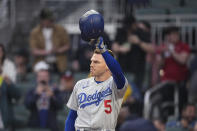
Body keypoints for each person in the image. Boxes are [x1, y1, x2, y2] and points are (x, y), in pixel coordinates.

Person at [65, 37, 128, 131]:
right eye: (91, 61)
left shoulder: (115, 84)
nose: (91, 64)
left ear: (107, 66)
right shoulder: (80, 84)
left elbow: (117, 71)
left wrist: (103, 49)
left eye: (96, 62)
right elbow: (71, 117)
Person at [112, 17, 154, 90]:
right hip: (123, 69)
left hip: (138, 69)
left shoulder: (141, 32)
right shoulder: (121, 32)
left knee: (136, 91)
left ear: (134, 25)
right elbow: (114, 47)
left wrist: (139, 42)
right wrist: (121, 49)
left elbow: (151, 49)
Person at [24, 61, 63, 131]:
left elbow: (60, 106)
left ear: (49, 78)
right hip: (35, 126)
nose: (43, 79)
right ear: (37, 78)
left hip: (51, 126)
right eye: (41, 76)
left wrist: (52, 96)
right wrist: (36, 94)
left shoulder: (55, 91)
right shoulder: (32, 91)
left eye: (45, 76)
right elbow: (27, 105)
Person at [29, 8, 70, 73]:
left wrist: (58, 50)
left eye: (51, 20)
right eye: (48, 20)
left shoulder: (61, 30)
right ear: (42, 20)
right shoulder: (35, 32)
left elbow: (67, 45)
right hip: (41, 63)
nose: (51, 22)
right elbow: (34, 50)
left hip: (59, 63)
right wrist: (47, 52)